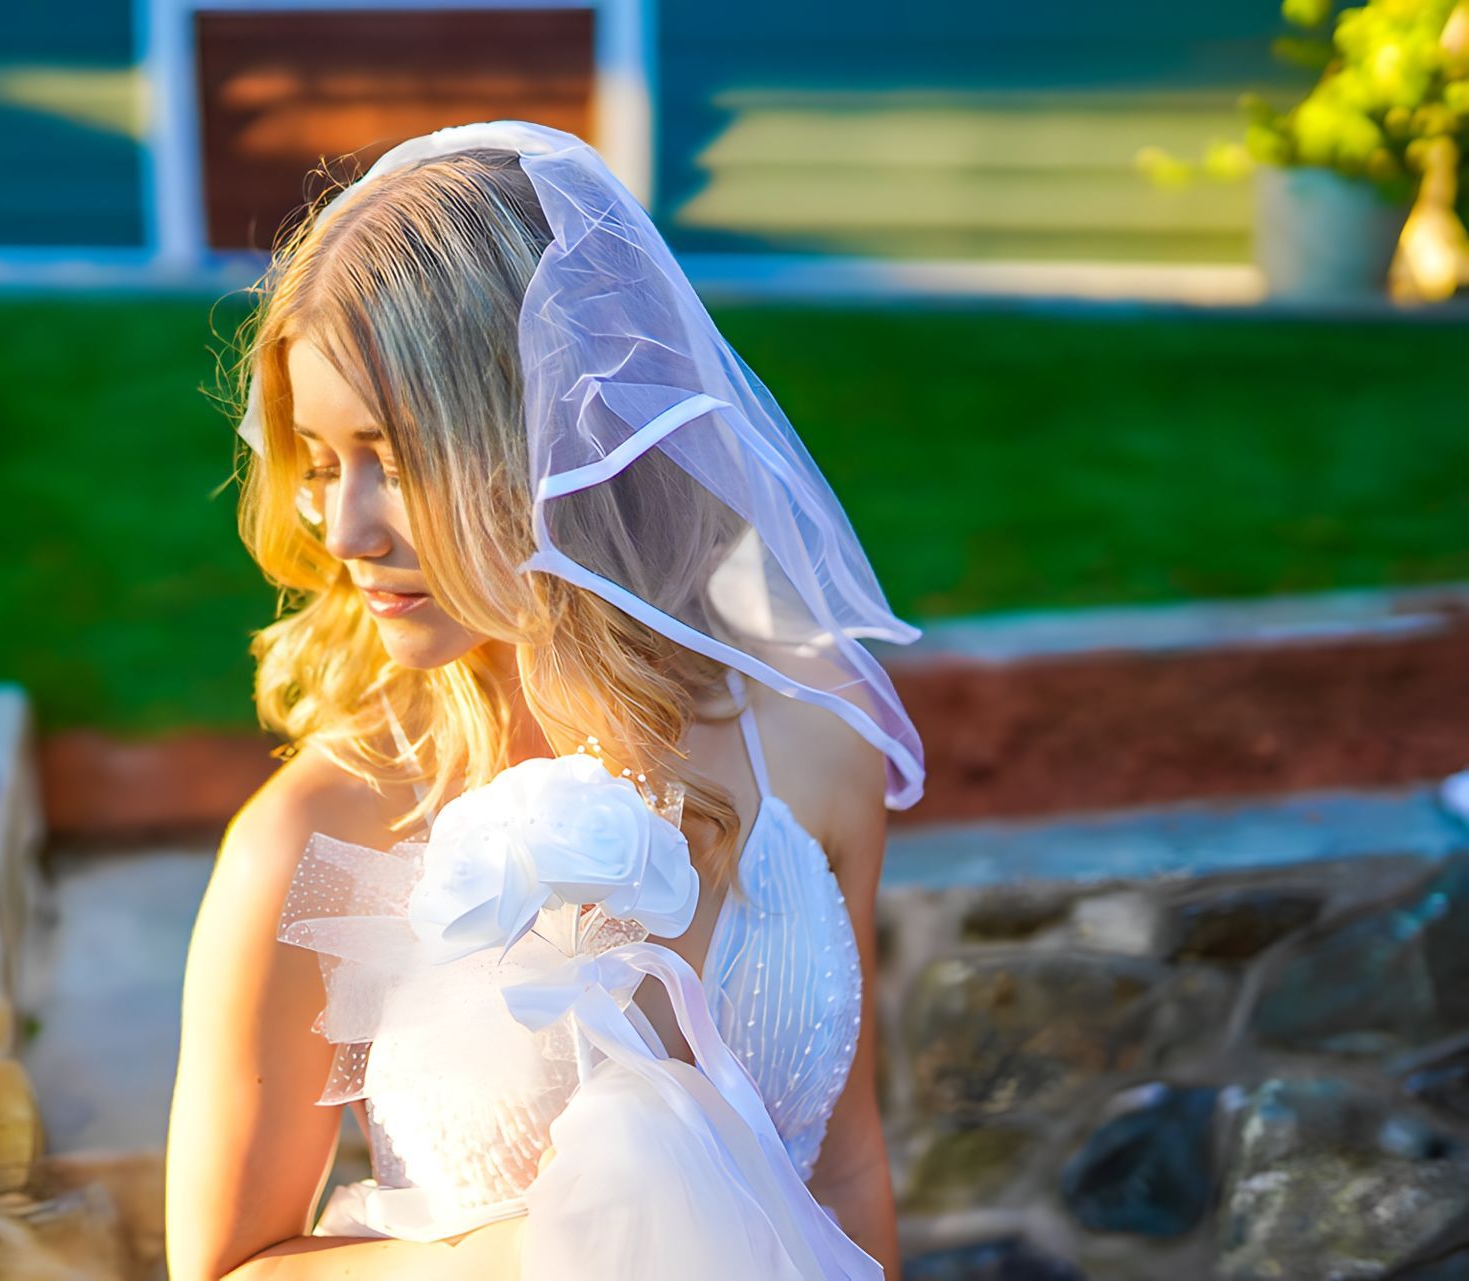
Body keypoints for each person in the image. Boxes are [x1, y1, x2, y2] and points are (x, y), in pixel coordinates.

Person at [165, 120, 927, 1281]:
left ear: (550, 437)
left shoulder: (816, 747)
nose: (345, 528)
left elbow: (846, 1166)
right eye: (320, 464)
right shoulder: (314, 840)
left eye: (399, 457)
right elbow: (225, 1266)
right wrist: (525, 1258)